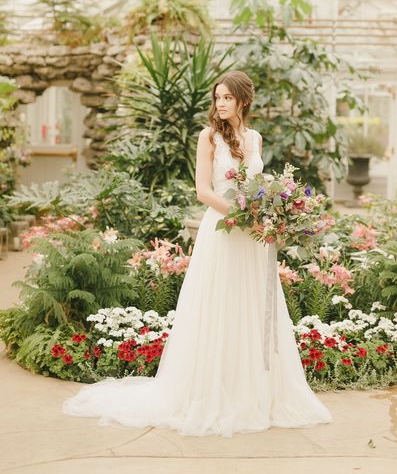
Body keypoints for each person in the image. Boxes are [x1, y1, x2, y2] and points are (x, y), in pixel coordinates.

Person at [63, 70, 333, 436]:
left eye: (227, 97)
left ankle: (253, 393)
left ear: (243, 100)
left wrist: (269, 214)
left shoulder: (254, 137)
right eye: (217, 97)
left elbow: (260, 186)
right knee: (218, 305)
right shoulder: (208, 137)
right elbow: (203, 191)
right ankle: (211, 394)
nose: (220, 103)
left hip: (253, 239)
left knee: (250, 306)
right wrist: (243, 216)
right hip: (223, 232)